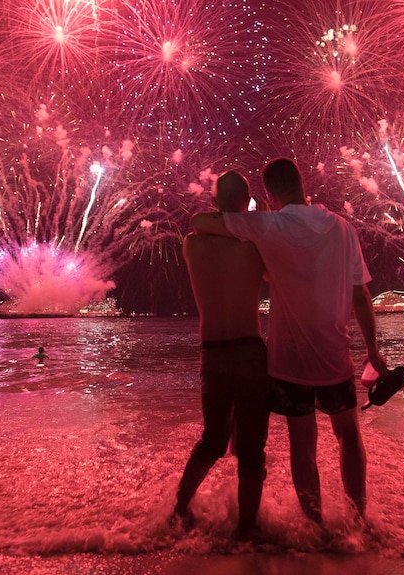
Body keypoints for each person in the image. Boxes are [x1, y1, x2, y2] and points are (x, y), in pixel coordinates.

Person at [191, 158, 389, 525]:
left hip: (290, 362)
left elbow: (202, 223)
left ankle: (316, 526)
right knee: (348, 435)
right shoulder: (343, 229)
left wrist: (261, 215)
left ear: (269, 193)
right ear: (301, 183)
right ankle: (358, 521)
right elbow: (361, 297)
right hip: (336, 355)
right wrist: (373, 352)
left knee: (303, 444)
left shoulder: (270, 226)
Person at [173, 170, 272, 539]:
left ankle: (177, 512)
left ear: (213, 203)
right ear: (244, 204)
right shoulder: (254, 246)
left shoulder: (192, 245)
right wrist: (252, 216)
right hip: (250, 352)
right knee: (251, 451)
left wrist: (226, 213)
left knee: (212, 440)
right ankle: (247, 531)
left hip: (212, 354)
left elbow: (204, 223)